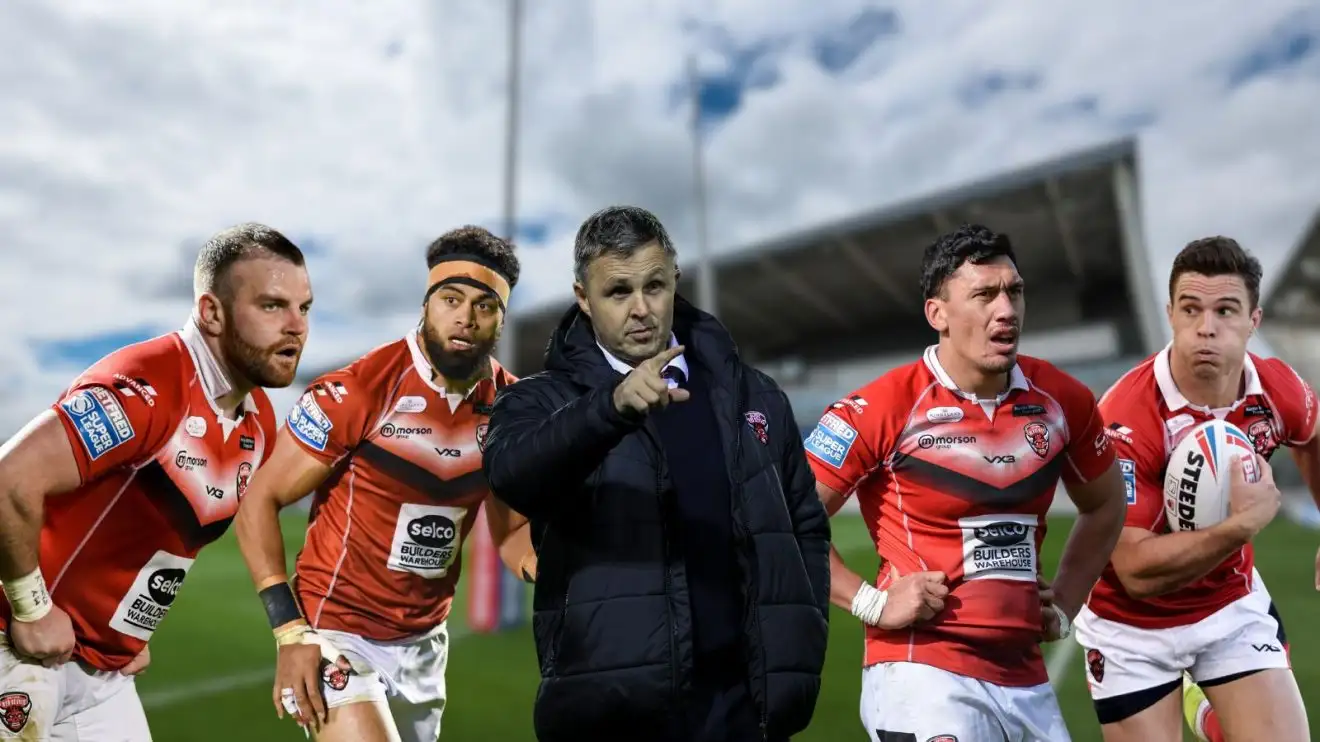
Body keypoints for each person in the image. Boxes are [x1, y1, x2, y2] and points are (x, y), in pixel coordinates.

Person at [480, 205, 829, 742]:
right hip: (613, 714)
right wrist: (609, 409)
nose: (641, 309)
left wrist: (799, 649)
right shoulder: (540, 399)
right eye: (618, 292)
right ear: (583, 299)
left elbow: (805, 525)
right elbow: (511, 472)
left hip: (743, 709)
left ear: (675, 281)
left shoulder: (753, 395)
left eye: (654, 286)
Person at [804, 223, 1129, 742]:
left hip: (1025, 677)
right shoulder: (880, 407)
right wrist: (872, 602)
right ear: (938, 314)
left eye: (1014, 291)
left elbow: (1107, 504)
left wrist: (1065, 602)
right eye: (984, 294)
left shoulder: (1063, 400)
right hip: (921, 672)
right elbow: (783, 520)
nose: (1006, 310)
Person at [0, 224, 311, 739]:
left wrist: (125, 632)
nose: (296, 326)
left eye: (305, 308)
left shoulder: (257, 423)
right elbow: (10, 477)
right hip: (18, 645)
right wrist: (30, 608)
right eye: (272, 306)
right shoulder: (148, 384)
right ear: (211, 312)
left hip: (103, 672)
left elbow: (165, 541)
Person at [233, 225, 536, 742]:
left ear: (501, 320)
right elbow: (259, 498)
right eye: (450, 299)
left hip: (424, 645)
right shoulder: (360, 389)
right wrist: (289, 631)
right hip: (337, 631)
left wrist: (566, 571)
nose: (465, 316)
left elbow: (510, 534)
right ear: (427, 304)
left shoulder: (512, 410)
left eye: (485, 306)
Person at [1076, 236, 1313, 742]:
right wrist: (1244, 525)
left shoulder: (1276, 389)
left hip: (1229, 604)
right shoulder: (1123, 419)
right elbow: (1136, 572)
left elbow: (1312, 436)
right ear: (1171, 314)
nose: (1206, 327)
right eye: (1191, 309)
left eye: (1226, 310)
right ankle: (1201, 702)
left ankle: (1209, 711)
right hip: (1131, 627)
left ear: (1254, 321)